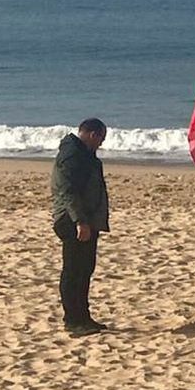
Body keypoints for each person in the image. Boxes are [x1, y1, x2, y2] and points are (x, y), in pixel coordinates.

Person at [50, 118, 110, 337]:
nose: (100, 144)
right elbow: (68, 192)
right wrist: (80, 221)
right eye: (100, 139)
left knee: (85, 269)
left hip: (87, 219)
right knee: (73, 271)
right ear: (92, 134)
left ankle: (83, 317)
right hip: (72, 221)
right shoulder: (72, 156)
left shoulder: (84, 155)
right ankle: (72, 320)